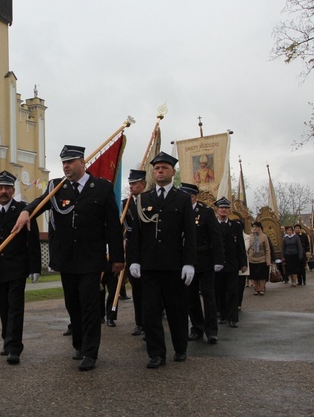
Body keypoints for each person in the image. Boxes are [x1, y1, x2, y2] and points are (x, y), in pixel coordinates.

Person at [14, 145, 124, 372]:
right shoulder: (56, 187)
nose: (66, 166)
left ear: (83, 162)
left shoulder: (102, 188)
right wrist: (26, 210)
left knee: (90, 305)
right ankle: (79, 344)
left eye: (71, 162)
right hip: (66, 258)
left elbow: (113, 227)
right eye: (63, 162)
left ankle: (90, 352)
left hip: (91, 258)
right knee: (72, 304)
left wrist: (117, 258)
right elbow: (41, 203)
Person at [127, 152, 196, 368]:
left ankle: (180, 347)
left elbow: (189, 233)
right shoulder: (144, 199)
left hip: (174, 264)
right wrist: (134, 260)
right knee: (151, 312)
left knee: (177, 310)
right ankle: (156, 353)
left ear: (173, 172)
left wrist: (189, 262)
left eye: (164, 168)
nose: (160, 171)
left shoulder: (182, 198)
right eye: (157, 168)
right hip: (150, 265)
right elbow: (136, 234)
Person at [0, 170, 41, 365]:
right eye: (0, 188)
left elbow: (32, 241)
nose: (3, 192)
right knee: (3, 306)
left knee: (15, 308)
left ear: (12, 190)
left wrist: (35, 268)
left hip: (17, 268)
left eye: (7, 188)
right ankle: (6, 340)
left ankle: (14, 347)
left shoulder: (23, 210)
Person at [180, 183, 224, 345]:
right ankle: (197, 329)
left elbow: (216, 237)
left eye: (187, 196)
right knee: (191, 297)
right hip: (186, 261)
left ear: (193, 197)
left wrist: (219, 260)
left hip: (204, 259)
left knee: (208, 296)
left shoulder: (205, 213)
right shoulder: (179, 212)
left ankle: (211, 331)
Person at [213, 197, 248, 327]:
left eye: (226, 208)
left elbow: (240, 245)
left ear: (229, 211)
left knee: (232, 291)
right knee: (219, 291)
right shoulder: (212, 225)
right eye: (221, 208)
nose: (224, 210)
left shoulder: (235, 226)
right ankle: (222, 315)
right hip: (217, 264)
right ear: (217, 210)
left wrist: (243, 263)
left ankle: (233, 318)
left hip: (232, 263)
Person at [122, 169, 147, 336]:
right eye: (130, 183)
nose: (131, 186)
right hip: (133, 250)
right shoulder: (126, 204)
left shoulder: (150, 200)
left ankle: (151, 322)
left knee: (150, 290)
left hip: (148, 250)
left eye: (135, 183)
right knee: (137, 290)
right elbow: (126, 227)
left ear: (143, 184)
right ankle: (139, 323)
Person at [247, 221, 272, 296]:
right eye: (253, 227)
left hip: (262, 258)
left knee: (262, 275)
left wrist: (268, 260)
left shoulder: (264, 236)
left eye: (256, 227)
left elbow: (267, 249)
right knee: (254, 275)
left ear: (260, 228)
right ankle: (256, 289)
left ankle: (261, 289)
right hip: (252, 259)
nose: (255, 229)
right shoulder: (250, 236)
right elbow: (247, 248)